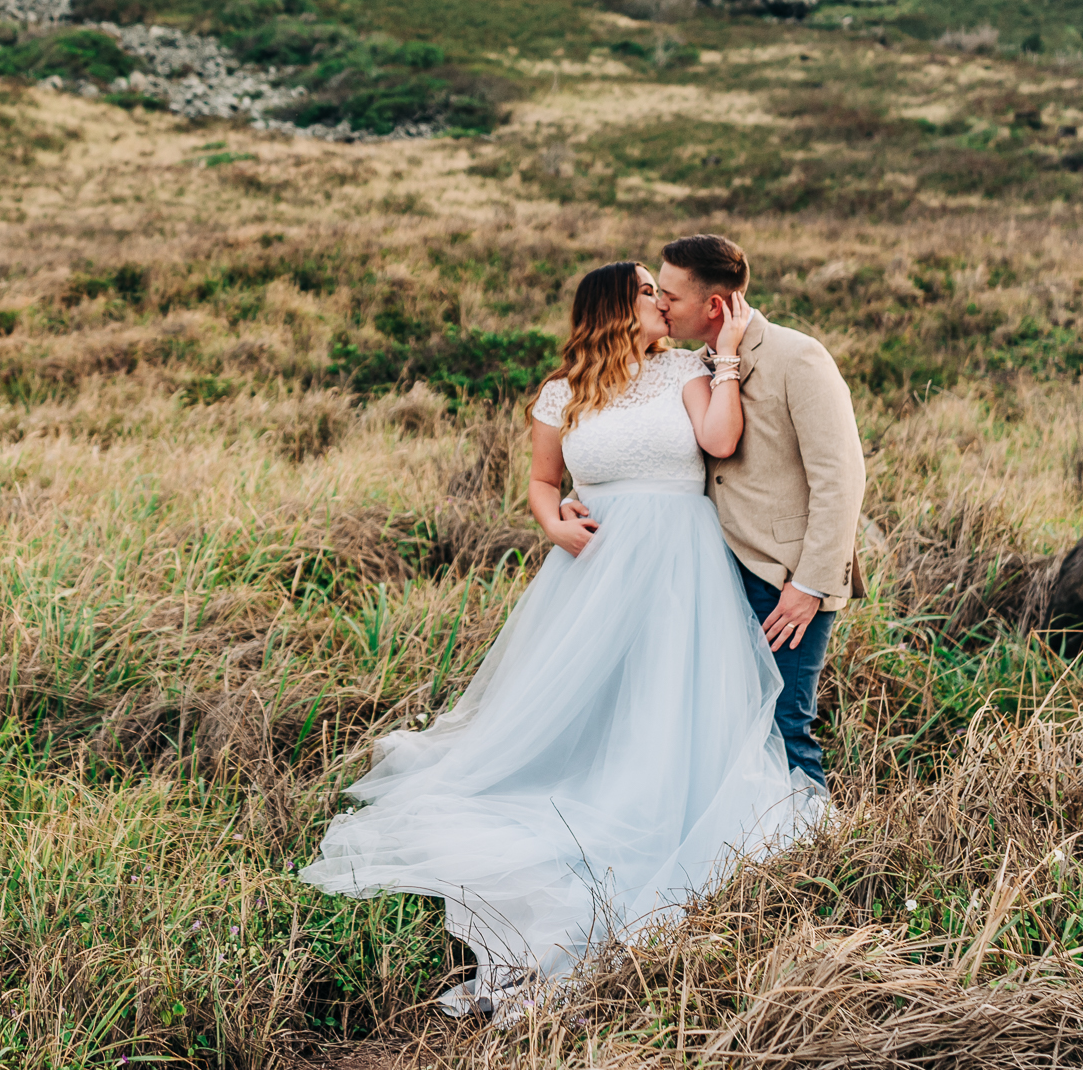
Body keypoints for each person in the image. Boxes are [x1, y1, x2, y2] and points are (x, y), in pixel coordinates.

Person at [299, 261, 816, 1016]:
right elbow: (543, 483)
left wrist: (729, 356)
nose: (662, 302)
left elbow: (721, 436)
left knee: (671, 693)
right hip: (596, 565)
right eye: (648, 292)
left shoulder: (688, 370)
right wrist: (551, 521)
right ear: (613, 307)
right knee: (581, 705)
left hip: (681, 565)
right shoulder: (561, 392)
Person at [565, 234, 865, 787]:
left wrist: (811, 584)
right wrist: (581, 493)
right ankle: (736, 856)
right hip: (709, 574)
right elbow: (657, 452)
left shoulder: (797, 356)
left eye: (670, 296)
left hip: (784, 576)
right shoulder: (689, 366)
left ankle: (812, 851)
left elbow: (842, 479)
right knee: (721, 726)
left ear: (714, 305)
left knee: (784, 724)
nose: (660, 304)